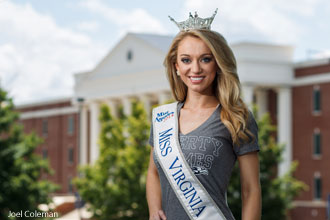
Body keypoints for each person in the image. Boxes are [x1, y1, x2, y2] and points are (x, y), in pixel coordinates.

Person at [146, 9, 261, 220]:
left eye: (205, 59)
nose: (195, 69)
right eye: (186, 60)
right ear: (176, 67)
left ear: (217, 63)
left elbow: (251, 189)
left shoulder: (236, 117)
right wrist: (154, 210)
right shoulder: (163, 118)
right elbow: (153, 172)